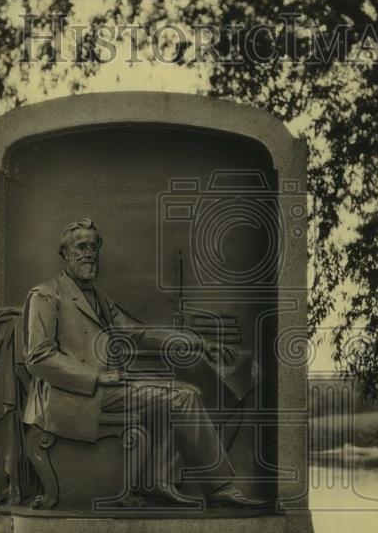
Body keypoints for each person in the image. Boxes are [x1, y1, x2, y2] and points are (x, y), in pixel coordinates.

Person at [23, 218, 268, 508]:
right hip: (71, 396)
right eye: (80, 247)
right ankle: (218, 487)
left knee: (183, 392)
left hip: (102, 391)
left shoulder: (99, 298)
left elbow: (137, 334)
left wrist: (198, 342)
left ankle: (159, 481)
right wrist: (97, 377)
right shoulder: (46, 295)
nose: (89, 253)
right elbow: (38, 357)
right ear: (64, 254)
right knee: (183, 397)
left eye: (93, 246)